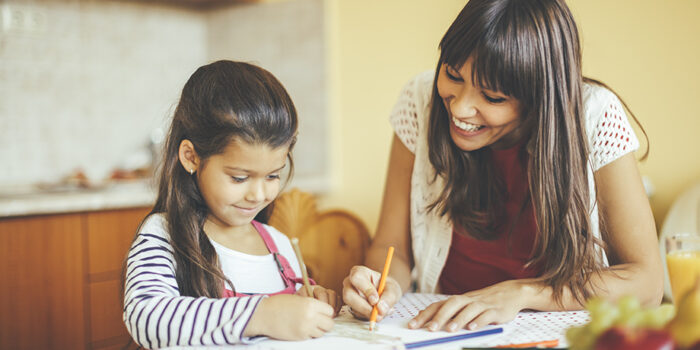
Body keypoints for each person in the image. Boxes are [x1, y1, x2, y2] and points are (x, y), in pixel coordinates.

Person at [342, 0, 663, 333]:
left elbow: (648, 283)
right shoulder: (420, 101)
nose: (462, 108)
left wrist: (522, 293)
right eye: (453, 74)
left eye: (492, 97)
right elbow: (391, 247)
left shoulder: (593, 116)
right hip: (443, 330)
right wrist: (382, 286)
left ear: (540, 97)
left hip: (555, 333)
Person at [122, 60, 338, 348]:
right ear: (191, 157)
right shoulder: (165, 234)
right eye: (239, 178)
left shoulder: (280, 245)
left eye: (273, 175)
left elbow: (293, 317)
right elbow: (147, 317)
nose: (259, 195)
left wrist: (313, 303)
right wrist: (261, 315)